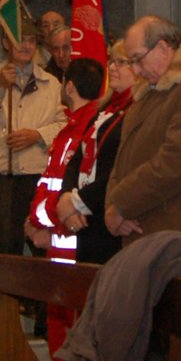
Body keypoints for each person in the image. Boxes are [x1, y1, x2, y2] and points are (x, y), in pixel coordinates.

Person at [105, 15, 181, 243]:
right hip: (141, 229)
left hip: (175, 233)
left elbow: (176, 162)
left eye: (137, 59)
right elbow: (122, 157)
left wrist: (121, 203)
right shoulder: (148, 91)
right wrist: (112, 206)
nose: (136, 70)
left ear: (162, 47)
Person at [24, 57, 106, 361]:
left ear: (68, 86)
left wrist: (41, 224)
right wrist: (34, 221)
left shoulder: (87, 128)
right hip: (55, 238)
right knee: (60, 317)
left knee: (72, 320)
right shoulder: (70, 127)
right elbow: (49, 183)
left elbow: (66, 189)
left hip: (69, 240)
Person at [0, 26, 66, 257]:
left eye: (31, 40)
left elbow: (64, 125)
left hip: (38, 176)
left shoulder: (51, 83)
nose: (26, 46)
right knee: (4, 247)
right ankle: (6, 295)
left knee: (42, 247)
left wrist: (38, 135)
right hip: (4, 177)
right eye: (19, 39)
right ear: (5, 42)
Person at [55, 40, 143, 266]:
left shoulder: (138, 110)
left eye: (121, 62)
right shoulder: (104, 109)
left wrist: (78, 201)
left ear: (139, 68)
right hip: (87, 216)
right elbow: (77, 158)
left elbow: (120, 167)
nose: (112, 68)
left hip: (111, 213)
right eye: (111, 61)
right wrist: (66, 195)